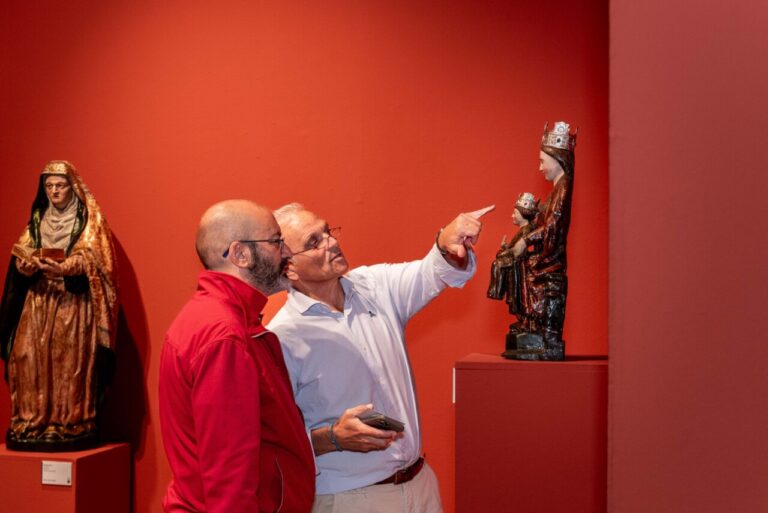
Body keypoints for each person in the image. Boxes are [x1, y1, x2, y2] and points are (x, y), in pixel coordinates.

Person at [268, 202, 493, 513]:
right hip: (351, 499)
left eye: (327, 231)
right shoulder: (282, 337)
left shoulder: (374, 285)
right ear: (289, 268)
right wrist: (333, 438)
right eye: (314, 242)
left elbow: (431, 272)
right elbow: (274, 441)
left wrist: (445, 243)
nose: (331, 242)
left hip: (421, 485)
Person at [159, 200, 315, 513]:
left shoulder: (214, 318)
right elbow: (229, 474)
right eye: (275, 241)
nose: (285, 251)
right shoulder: (225, 336)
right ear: (240, 254)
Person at [0, 160, 118, 451]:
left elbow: (98, 260)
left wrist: (67, 267)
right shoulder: (38, 221)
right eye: (49, 186)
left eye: (60, 185)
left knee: (66, 362)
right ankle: (32, 419)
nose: (54, 191)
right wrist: (26, 266)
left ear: (72, 187)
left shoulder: (89, 221)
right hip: (38, 301)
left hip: (72, 305)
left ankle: (68, 421)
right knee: (27, 356)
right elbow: (22, 254)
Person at [512, 121, 577, 360]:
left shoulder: (563, 188)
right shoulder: (557, 189)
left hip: (551, 262)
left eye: (542, 161)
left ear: (557, 159)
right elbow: (543, 220)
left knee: (524, 270)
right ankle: (528, 322)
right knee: (515, 266)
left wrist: (526, 240)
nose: (540, 167)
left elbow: (552, 226)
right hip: (547, 257)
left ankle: (535, 325)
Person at [487, 192, 539, 333]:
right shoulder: (522, 231)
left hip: (520, 265)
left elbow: (519, 251)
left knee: (498, 265)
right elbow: (514, 249)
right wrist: (506, 248)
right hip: (516, 263)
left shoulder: (527, 230)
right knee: (499, 263)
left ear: (523, 214)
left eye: (515, 213)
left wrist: (506, 252)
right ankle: (497, 292)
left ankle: (496, 292)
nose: (512, 216)